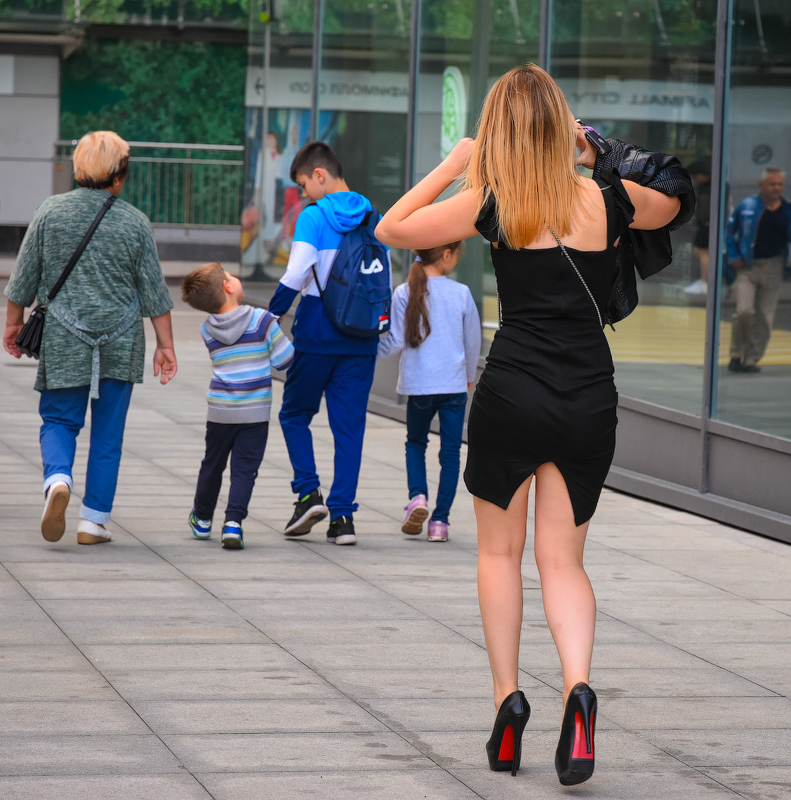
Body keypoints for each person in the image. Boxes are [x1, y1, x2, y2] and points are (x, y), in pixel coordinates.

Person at [375, 64, 687, 786]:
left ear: (501, 131)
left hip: (512, 391)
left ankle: (507, 704)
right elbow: (672, 199)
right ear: (561, 124)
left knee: (497, 557)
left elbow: (393, 227)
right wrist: (596, 156)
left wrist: (457, 161)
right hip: (587, 394)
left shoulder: (490, 202)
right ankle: (578, 692)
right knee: (564, 563)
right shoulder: (610, 202)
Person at [3, 131, 177, 545]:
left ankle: (58, 480)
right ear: (120, 176)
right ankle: (92, 521)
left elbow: (22, 278)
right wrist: (165, 345)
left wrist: (13, 323)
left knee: (59, 419)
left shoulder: (51, 212)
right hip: (120, 339)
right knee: (108, 433)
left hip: (63, 336)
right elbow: (155, 292)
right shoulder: (135, 222)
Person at [268, 142, 386, 546]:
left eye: (304, 184)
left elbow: (298, 270)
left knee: (294, 413)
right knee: (348, 428)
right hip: (361, 336)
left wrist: (271, 315)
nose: (303, 194)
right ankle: (343, 520)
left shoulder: (313, 216)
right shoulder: (374, 215)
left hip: (318, 332)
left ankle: (307, 493)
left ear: (320, 175)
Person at [181, 262, 294, 548]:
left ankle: (203, 519)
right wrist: (274, 334)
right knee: (245, 470)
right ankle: (233, 523)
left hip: (220, 412)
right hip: (255, 413)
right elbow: (285, 361)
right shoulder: (262, 319)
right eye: (231, 276)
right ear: (228, 287)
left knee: (212, 464)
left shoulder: (207, 329)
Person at [377, 242, 481, 543]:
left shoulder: (403, 292)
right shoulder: (460, 293)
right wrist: (469, 376)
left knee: (415, 444)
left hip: (420, 386)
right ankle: (440, 523)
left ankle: (418, 497)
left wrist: (364, 352)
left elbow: (395, 341)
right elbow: (472, 341)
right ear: (446, 255)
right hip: (453, 386)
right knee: (450, 454)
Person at [723, 167, 791, 373]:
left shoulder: (788, 210)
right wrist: (733, 256)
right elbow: (728, 231)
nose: (776, 188)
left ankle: (751, 358)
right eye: (772, 184)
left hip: (774, 267)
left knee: (764, 317)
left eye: (780, 184)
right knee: (743, 311)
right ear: (762, 185)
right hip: (748, 267)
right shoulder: (747, 206)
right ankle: (736, 354)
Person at [682, 160, 712, 297]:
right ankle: (704, 281)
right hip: (705, 224)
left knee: (703, 253)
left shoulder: (709, 188)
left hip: (707, 224)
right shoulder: (705, 187)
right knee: (700, 251)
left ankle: (704, 281)